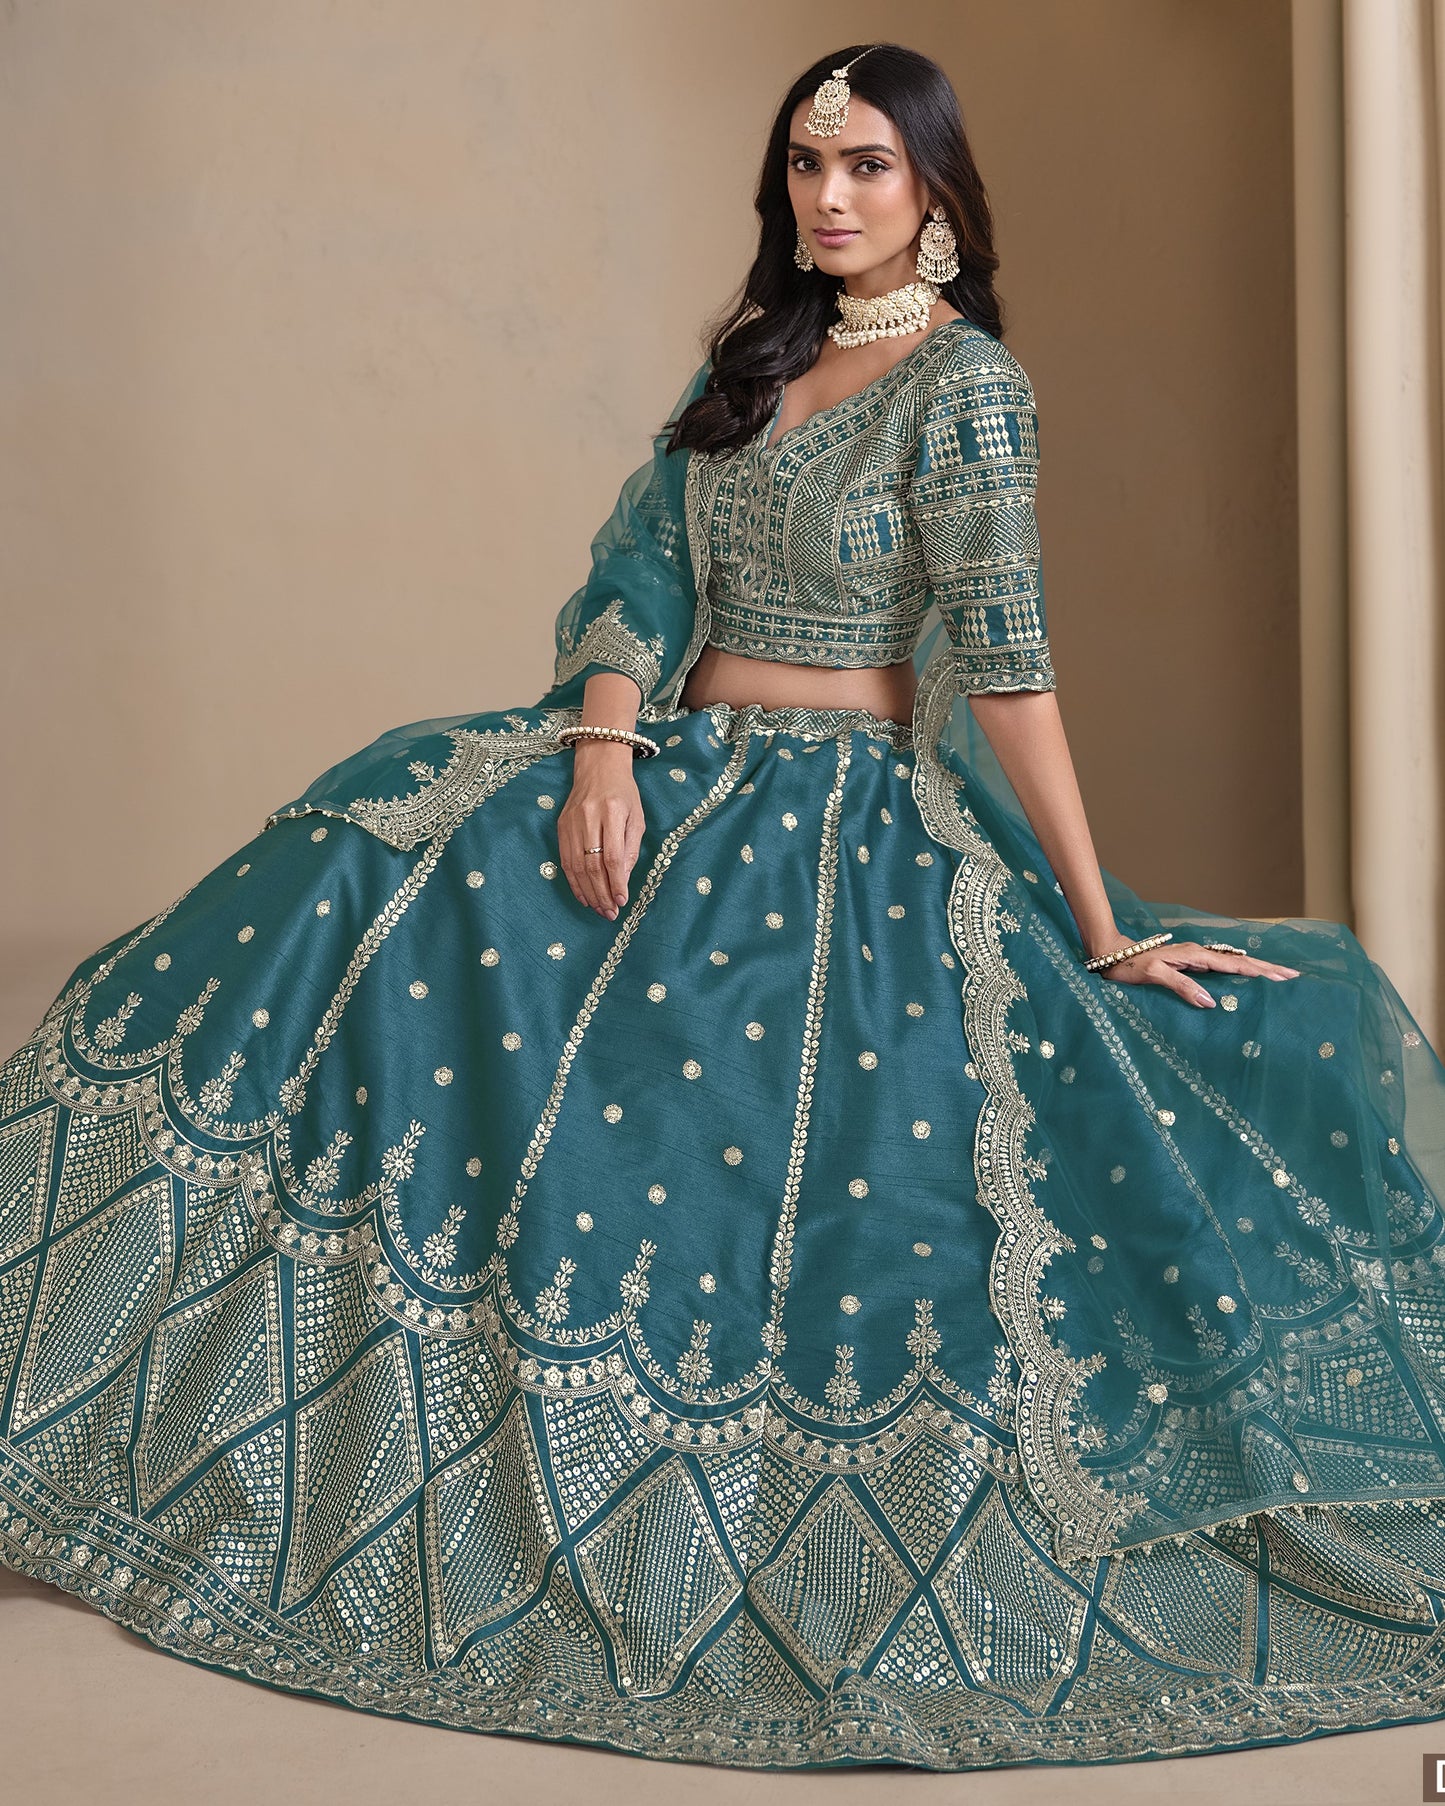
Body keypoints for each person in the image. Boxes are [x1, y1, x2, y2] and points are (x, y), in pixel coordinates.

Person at [1, 39, 1443, 1775]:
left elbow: (1008, 670)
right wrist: (604, 745)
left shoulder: (966, 387)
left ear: (932, 194)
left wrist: (1097, 918)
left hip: (845, 825)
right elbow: (636, 572)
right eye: (803, 168)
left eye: (865, 172)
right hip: (670, 763)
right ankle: (155, 1387)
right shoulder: (756, 367)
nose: (825, 202)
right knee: (378, 851)